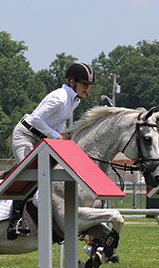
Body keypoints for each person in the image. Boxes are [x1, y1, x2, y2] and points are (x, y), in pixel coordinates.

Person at [7, 62, 95, 240]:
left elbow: (56, 123)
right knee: (30, 174)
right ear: (72, 81)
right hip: (25, 135)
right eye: (84, 83)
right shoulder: (60, 97)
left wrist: (60, 137)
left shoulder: (74, 101)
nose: (87, 88)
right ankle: (14, 222)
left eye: (88, 85)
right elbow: (36, 120)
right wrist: (57, 136)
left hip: (42, 138)